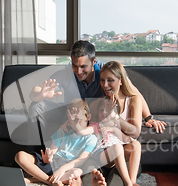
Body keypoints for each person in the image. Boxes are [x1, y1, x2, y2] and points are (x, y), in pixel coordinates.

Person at [29, 40, 167, 134]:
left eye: (83, 66)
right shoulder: (65, 72)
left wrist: (149, 118)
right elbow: (34, 92)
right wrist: (41, 95)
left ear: (94, 61)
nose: (78, 71)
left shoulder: (105, 70)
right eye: (74, 65)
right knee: (36, 106)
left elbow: (133, 92)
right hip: (71, 111)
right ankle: (42, 155)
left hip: (96, 114)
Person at [65, 60, 147, 186]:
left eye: (111, 80)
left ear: (121, 81)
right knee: (92, 167)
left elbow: (135, 133)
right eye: (102, 80)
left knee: (126, 160)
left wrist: (115, 119)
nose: (105, 85)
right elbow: (94, 131)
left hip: (124, 156)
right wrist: (73, 123)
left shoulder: (134, 100)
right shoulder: (98, 104)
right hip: (103, 154)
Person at [14, 99, 97, 186]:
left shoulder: (91, 138)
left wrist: (62, 168)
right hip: (53, 163)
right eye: (71, 119)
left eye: (78, 120)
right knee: (20, 155)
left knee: (77, 173)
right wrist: (49, 157)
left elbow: (81, 159)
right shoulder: (64, 131)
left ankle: (36, 179)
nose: (75, 123)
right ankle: (48, 181)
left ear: (88, 117)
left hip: (67, 168)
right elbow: (53, 149)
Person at [66, 97, 136, 186]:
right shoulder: (96, 125)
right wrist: (75, 125)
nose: (104, 112)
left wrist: (114, 129)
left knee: (130, 146)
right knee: (117, 147)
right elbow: (83, 132)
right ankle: (128, 183)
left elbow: (128, 140)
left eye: (107, 110)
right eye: (101, 110)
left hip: (116, 155)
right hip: (101, 155)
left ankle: (130, 181)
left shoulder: (117, 126)